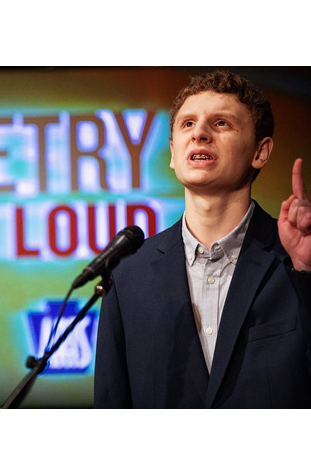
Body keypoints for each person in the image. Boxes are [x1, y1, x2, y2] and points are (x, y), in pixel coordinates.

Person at [94, 70, 311, 408]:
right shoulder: (128, 274)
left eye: (221, 123)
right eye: (187, 124)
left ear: (260, 151)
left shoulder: (297, 260)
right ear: (172, 152)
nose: (200, 134)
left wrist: (307, 274)